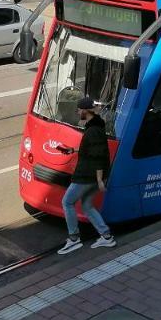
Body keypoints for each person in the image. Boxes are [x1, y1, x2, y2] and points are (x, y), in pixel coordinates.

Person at [57, 96, 116, 254]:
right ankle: (106, 236)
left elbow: (98, 156)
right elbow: (92, 149)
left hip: (87, 175)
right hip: (92, 174)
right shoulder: (95, 126)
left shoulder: (93, 130)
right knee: (87, 205)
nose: (77, 112)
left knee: (67, 202)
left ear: (85, 111)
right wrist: (72, 150)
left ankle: (74, 239)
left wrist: (99, 180)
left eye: (79, 109)